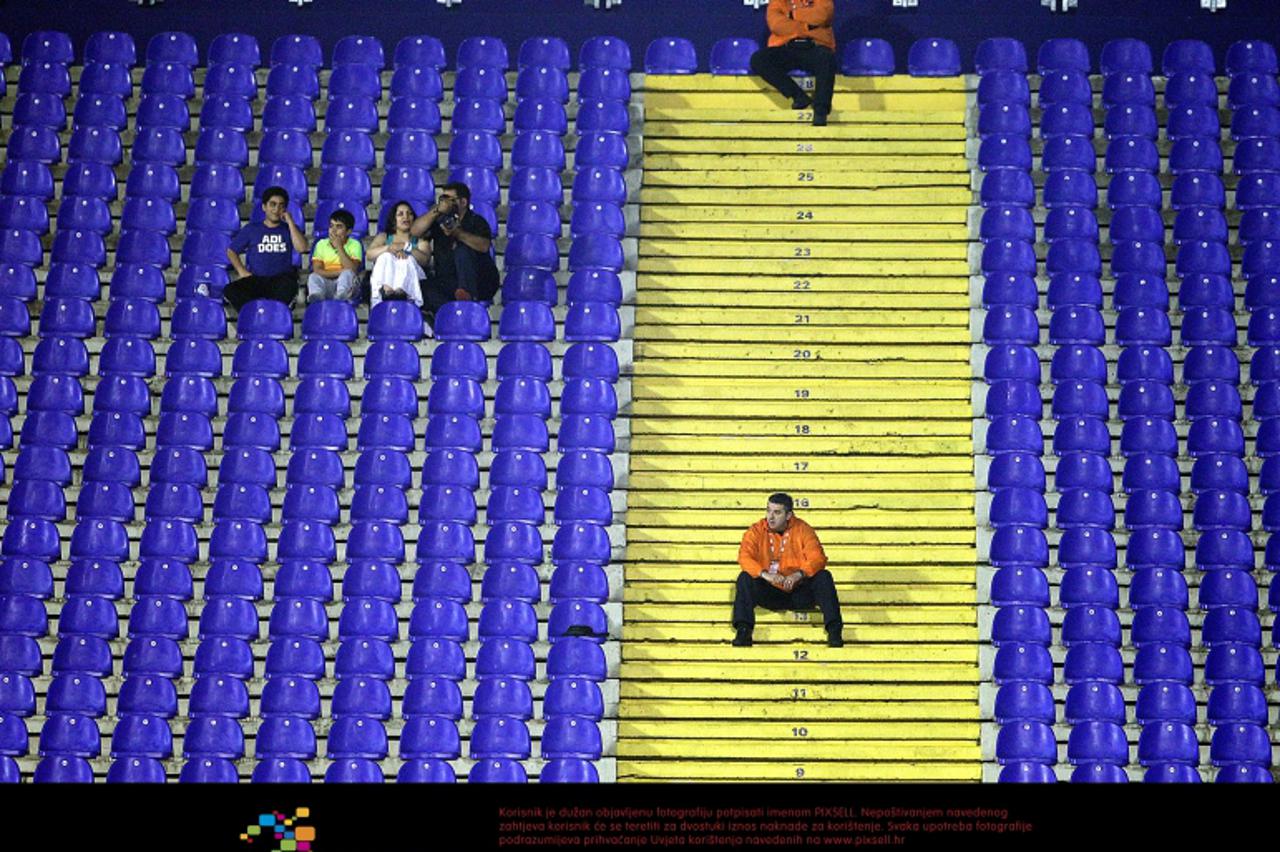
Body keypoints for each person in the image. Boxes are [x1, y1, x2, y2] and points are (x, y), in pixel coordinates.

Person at [733, 492, 843, 647]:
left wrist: (799, 574)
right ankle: (743, 631)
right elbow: (744, 557)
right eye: (768, 511)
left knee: (824, 577)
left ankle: (834, 631)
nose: (770, 517)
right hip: (771, 591)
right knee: (744, 578)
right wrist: (765, 575)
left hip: (798, 591)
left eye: (777, 512)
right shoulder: (756, 530)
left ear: (788, 515)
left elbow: (817, 557)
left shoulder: (803, 529)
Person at [410, 182, 499, 321]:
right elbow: (415, 231)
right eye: (442, 199)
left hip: (477, 282)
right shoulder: (439, 220)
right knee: (421, 287)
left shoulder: (476, 221)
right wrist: (436, 211)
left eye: (449, 199)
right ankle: (452, 314)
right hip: (447, 281)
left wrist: (457, 233)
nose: (444, 202)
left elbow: (484, 246)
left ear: (463, 202)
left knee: (462, 249)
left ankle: (465, 299)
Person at [749, 0, 838, 126]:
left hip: (815, 46)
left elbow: (822, 15)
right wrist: (807, 26)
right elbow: (776, 25)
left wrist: (792, 15)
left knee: (827, 58)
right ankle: (798, 96)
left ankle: (820, 111)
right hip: (786, 47)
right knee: (759, 59)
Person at [223, 186, 308, 311]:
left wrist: (290, 222)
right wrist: (242, 271)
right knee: (230, 290)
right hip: (256, 279)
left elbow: (302, 248)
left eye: (281, 205)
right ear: (264, 207)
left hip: (281, 280)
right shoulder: (252, 229)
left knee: (289, 288)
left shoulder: (289, 229)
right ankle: (252, 315)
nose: (276, 209)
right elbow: (231, 251)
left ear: (285, 209)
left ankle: (274, 317)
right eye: (272, 204)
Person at [366, 200, 429, 310]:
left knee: (407, 259)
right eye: (400, 214)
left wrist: (406, 247)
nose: (406, 217)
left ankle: (401, 292)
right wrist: (388, 248)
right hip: (387, 282)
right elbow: (369, 255)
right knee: (385, 256)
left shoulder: (420, 240)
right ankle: (385, 291)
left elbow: (425, 260)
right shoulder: (384, 237)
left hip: (413, 281)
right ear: (394, 220)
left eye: (409, 213)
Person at [306, 209, 363, 303]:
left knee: (347, 274)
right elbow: (317, 270)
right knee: (313, 277)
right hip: (327, 283)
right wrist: (339, 272)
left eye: (339, 227)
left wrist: (339, 247)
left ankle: (341, 297)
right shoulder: (321, 244)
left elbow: (352, 270)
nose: (333, 230)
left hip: (347, 285)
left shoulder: (355, 244)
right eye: (331, 226)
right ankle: (317, 298)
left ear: (348, 231)